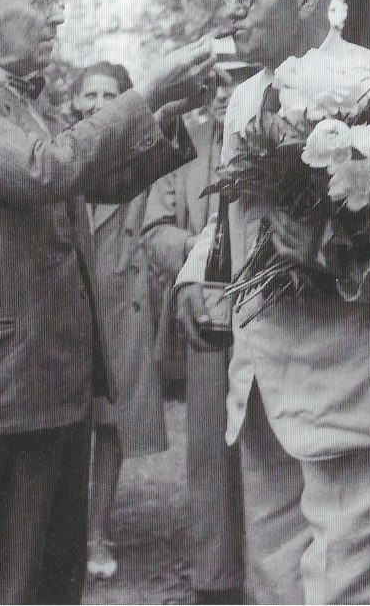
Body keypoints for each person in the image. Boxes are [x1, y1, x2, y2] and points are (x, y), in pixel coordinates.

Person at [0, 0, 213, 604]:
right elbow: (48, 169)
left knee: (45, 588)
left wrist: (171, 111)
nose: (58, 17)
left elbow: (96, 179)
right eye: (42, 5)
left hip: (43, 387)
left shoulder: (15, 99)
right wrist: (144, 89)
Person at [174, 0, 370, 604]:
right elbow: (226, 221)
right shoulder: (243, 98)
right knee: (274, 585)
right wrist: (197, 276)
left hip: (362, 393)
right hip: (267, 392)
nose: (232, 11)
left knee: (349, 592)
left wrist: (333, 260)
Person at [143, 86, 246, 605]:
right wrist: (201, 247)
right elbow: (154, 230)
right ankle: (216, 579)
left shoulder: (286, 134)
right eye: (220, 84)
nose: (230, 94)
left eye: (241, 79)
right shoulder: (185, 144)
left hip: (276, 314)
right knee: (211, 447)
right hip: (208, 316)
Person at [68, 61, 169, 580]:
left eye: (109, 94)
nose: (96, 103)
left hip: (120, 310)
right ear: (75, 102)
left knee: (109, 432)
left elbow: (155, 231)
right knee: (63, 428)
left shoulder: (140, 162)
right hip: (68, 311)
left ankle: (97, 531)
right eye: (88, 94)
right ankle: (61, 532)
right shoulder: (62, 153)